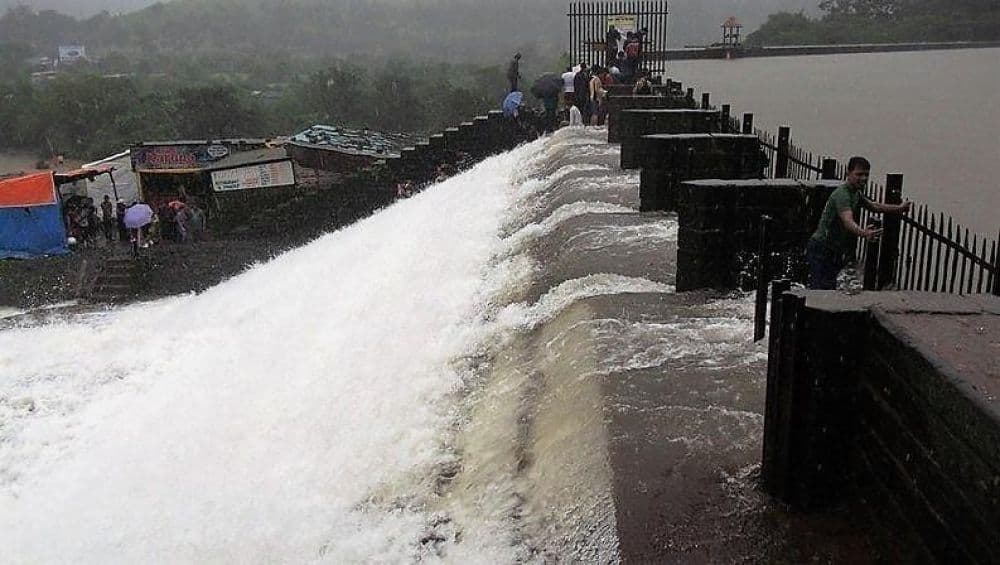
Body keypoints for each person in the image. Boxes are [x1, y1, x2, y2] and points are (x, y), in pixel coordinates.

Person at [805, 156, 912, 289]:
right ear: (848, 173)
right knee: (820, 288)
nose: (863, 178)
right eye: (859, 174)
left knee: (828, 286)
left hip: (833, 249)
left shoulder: (855, 193)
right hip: (821, 247)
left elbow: (874, 206)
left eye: (866, 175)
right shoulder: (842, 195)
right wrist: (864, 233)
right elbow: (848, 221)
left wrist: (899, 208)